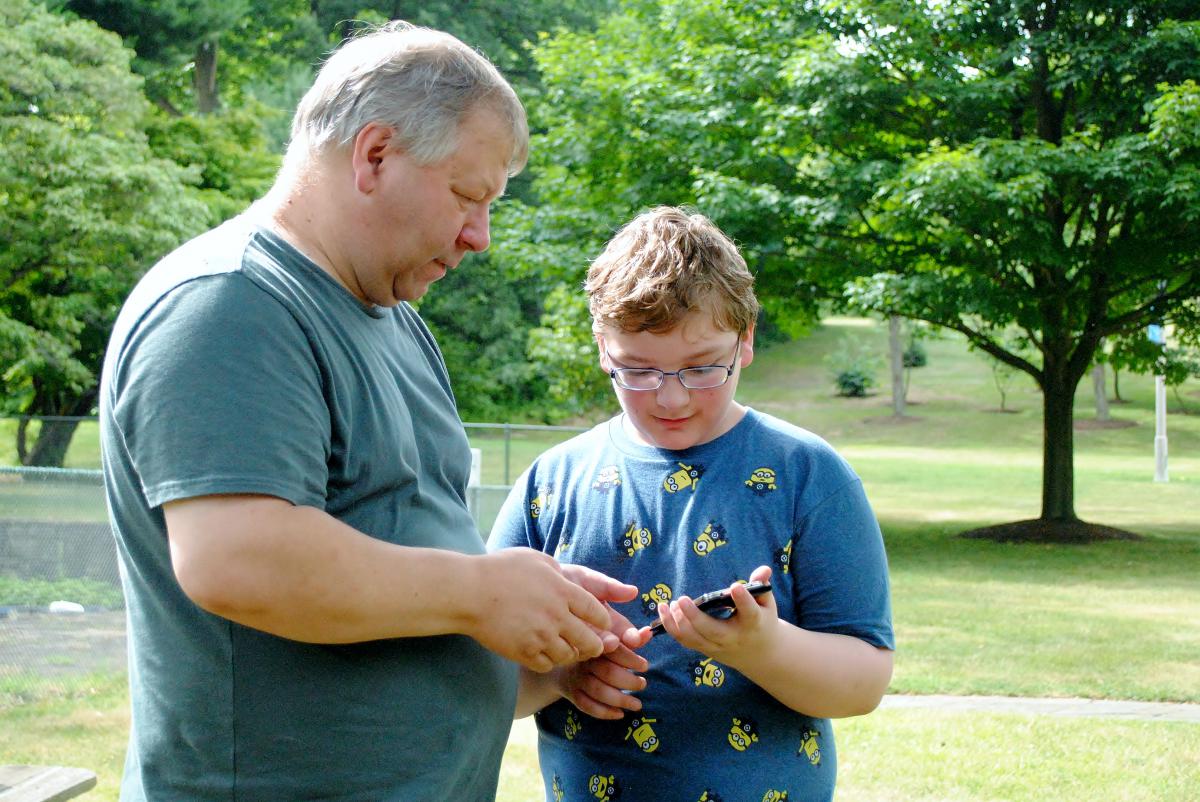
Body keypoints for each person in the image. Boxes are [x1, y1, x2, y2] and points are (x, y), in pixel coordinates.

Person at [99, 22, 638, 802]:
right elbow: (238, 560)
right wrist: (484, 592)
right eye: (466, 196)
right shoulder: (232, 301)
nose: (479, 237)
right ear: (375, 154)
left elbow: (390, 589)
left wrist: (538, 651)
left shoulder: (393, 319)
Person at [488, 207, 895, 802]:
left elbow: (863, 682)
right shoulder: (550, 483)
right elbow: (480, 677)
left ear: (746, 340)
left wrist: (764, 648)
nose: (672, 398)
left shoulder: (808, 475)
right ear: (603, 348)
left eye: (702, 367)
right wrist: (560, 675)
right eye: (638, 370)